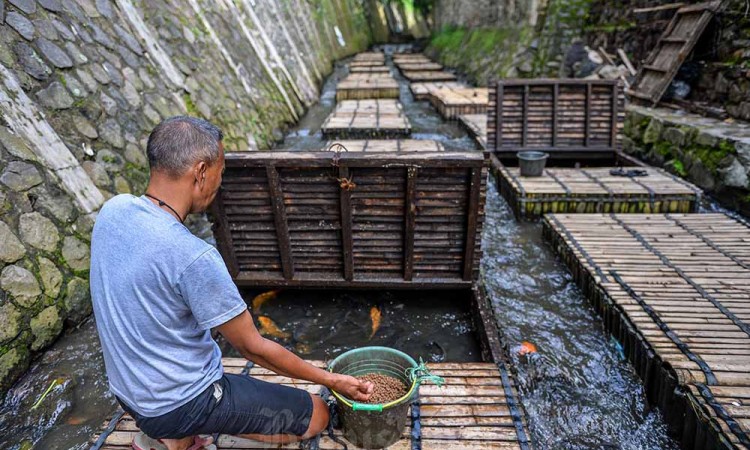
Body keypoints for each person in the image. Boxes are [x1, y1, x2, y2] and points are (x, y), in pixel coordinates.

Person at [90, 116, 374, 450]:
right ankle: (182, 431)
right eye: (220, 171)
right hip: (184, 402)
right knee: (317, 415)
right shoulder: (194, 256)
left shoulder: (113, 210)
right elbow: (253, 347)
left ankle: (171, 437)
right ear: (201, 172)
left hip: (129, 394)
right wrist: (331, 379)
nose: (220, 182)